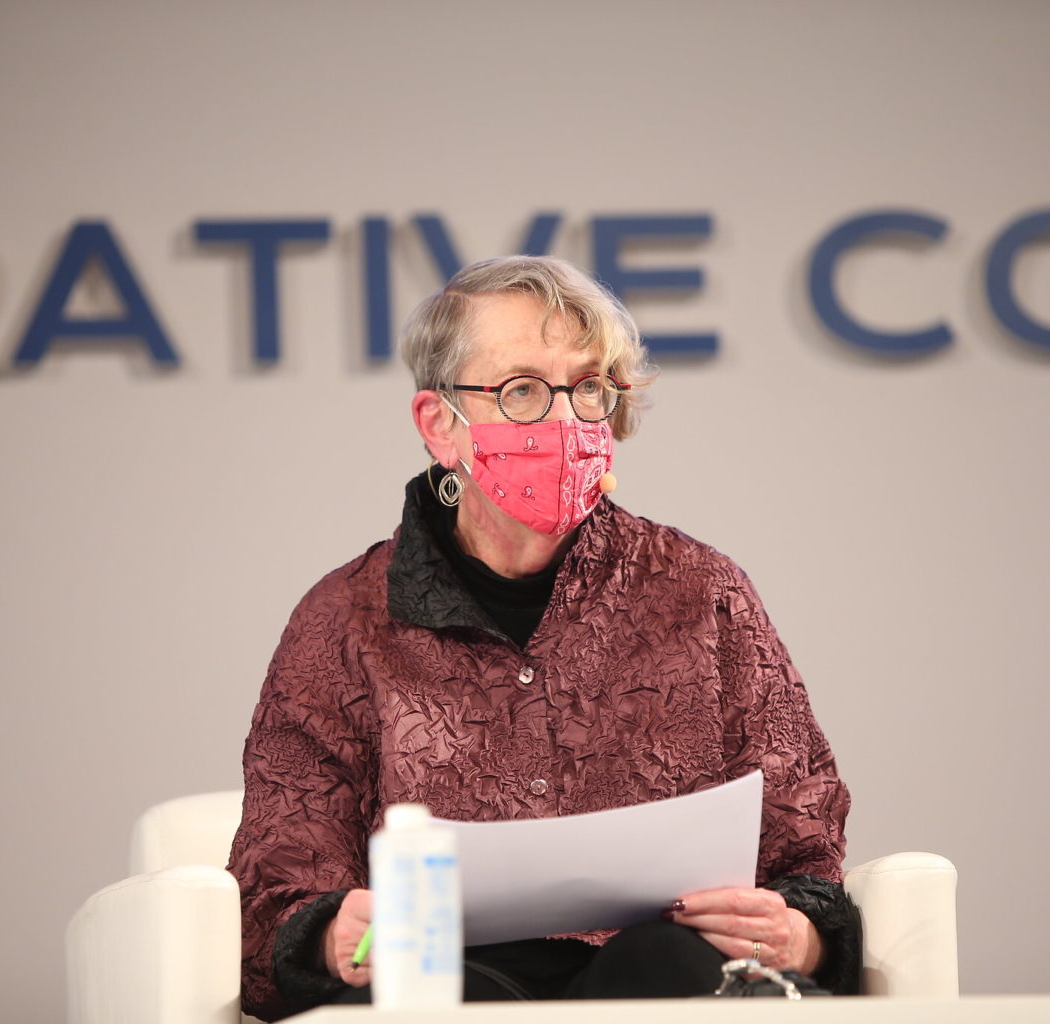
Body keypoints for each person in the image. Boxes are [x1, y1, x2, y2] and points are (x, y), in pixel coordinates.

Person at [226, 255, 858, 1021]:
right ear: (440, 425)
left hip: (662, 979)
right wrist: (331, 935)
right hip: (444, 986)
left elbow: (802, 838)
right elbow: (274, 891)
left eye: (587, 387)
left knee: (670, 966)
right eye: (521, 390)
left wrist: (800, 936)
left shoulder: (700, 591)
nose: (564, 422)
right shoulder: (344, 618)